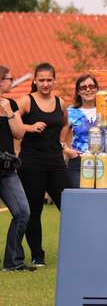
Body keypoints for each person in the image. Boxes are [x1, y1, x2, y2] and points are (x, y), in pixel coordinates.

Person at [17, 63, 71, 267]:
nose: (46, 84)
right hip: (31, 164)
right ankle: (37, 255)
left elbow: (65, 123)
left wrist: (62, 142)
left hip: (56, 162)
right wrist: (29, 127)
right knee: (34, 210)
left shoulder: (60, 102)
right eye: (42, 80)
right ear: (35, 81)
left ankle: (76, 248)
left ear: (54, 80)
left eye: (49, 80)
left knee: (70, 206)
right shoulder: (26, 101)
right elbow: (10, 122)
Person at [0, 65, 36, 272]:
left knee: (23, 211)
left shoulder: (11, 104)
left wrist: (9, 113)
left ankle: (13, 262)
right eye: (8, 78)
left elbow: (19, 133)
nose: (11, 82)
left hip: (7, 169)